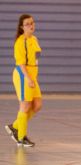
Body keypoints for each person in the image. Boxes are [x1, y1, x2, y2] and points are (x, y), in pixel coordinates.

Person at [4, 14, 42, 147]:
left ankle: (15, 126)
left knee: (37, 105)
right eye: (27, 24)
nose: (31, 26)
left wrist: (33, 77)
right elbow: (21, 63)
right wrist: (28, 78)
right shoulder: (20, 42)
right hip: (23, 75)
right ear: (22, 27)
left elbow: (35, 60)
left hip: (32, 76)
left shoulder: (35, 39)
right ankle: (21, 138)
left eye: (32, 23)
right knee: (25, 106)